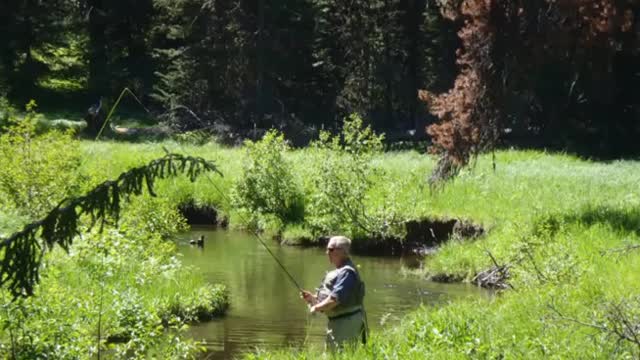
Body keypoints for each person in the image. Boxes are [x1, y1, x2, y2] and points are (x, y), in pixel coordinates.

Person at [300, 235, 367, 351]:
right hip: (339, 323)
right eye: (327, 249)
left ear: (343, 251)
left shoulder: (347, 273)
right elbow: (333, 299)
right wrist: (313, 299)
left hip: (347, 324)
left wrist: (315, 308)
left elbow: (334, 300)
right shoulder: (341, 271)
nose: (327, 253)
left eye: (330, 249)